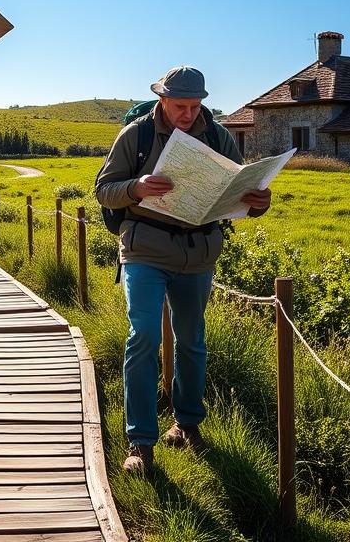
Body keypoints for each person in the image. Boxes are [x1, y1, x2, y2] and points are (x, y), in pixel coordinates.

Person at [94, 66, 271, 474]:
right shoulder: (135, 134)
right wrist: (136, 187)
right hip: (145, 250)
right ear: (162, 100)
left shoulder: (219, 136)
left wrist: (258, 202)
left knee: (191, 340)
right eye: (180, 106)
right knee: (143, 337)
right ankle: (141, 442)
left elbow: (240, 195)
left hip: (198, 253)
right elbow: (104, 189)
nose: (188, 114)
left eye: (195, 106)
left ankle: (187, 425)